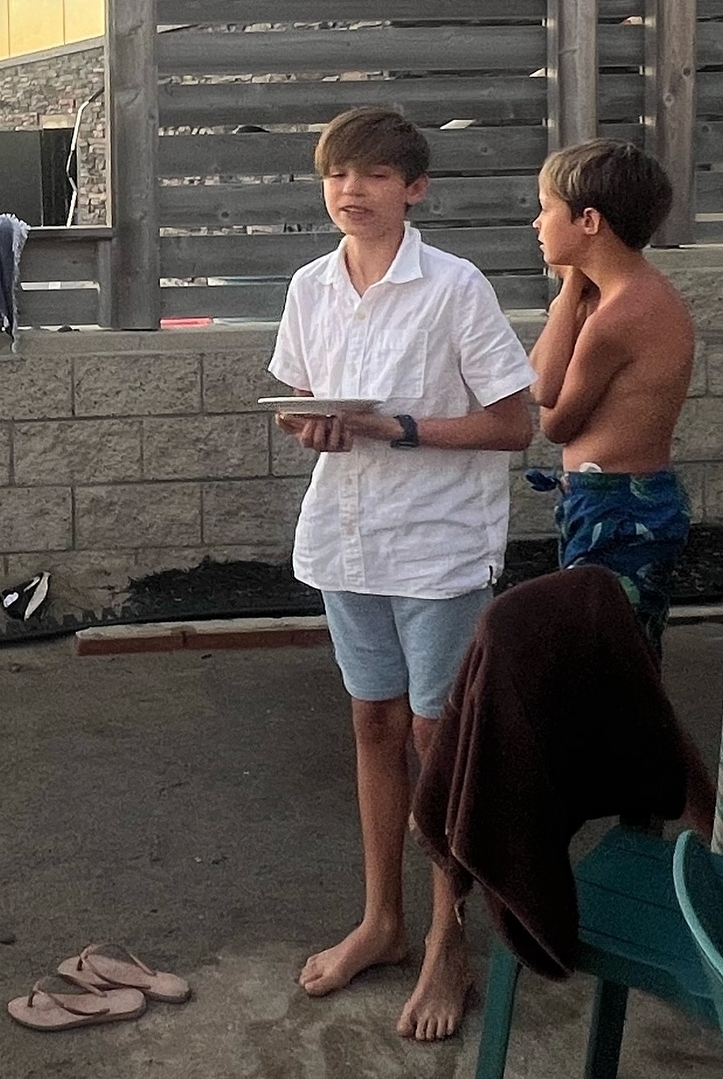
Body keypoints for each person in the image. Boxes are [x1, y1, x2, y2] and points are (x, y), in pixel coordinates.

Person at [268, 106, 534, 1042]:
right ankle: (382, 922)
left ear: (414, 190)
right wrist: (312, 422)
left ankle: (446, 940)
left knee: (437, 741)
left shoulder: (455, 287)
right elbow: (302, 395)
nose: (353, 190)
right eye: (338, 173)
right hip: (347, 540)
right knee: (373, 724)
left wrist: (401, 428)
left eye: (375, 175)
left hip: (438, 549)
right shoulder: (310, 286)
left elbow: (514, 424)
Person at [527, 139, 696, 654]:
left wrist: (569, 292)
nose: (537, 223)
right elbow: (536, 373)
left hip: (620, 507)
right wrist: (573, 288)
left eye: (546, 208)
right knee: (611, 657)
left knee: (607, 662)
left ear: (589, 221)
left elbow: (551, 412)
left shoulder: (618, 318)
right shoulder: (617, 297)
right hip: (606, 497)